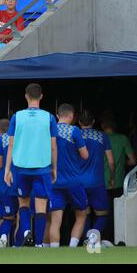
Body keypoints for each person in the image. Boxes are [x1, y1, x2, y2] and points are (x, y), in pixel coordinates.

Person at [3, 83, 57, 247]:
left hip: (21, 167)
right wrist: (54, 168)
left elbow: (10, 145)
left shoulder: (16, 117)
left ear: (26, 96)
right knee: (41, 207)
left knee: (23, 203)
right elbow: (54, 146)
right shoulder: (49, 117)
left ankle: (26, 231)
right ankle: (39, 243)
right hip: (42, 167)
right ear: (41, 96)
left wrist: (7, 169)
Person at [49, 103, 88, 248]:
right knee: (81, 215)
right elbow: (85, 155)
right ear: (72, 117)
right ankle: (72, 248)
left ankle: (54, 251)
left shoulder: (49, 131)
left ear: (57, 116)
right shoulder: (74, 131)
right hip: (73, 181)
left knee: (55, 220)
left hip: (54, 181)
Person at [79, 109, 115, 241]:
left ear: (79, 122)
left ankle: (86, 242)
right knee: (103, 214)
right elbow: (111, 162)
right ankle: (93, 238)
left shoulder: (74, 135)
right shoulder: (102, 136)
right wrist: (111, 178)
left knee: (84, 215)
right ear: (94, 122)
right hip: (97, 182)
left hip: (78, 183)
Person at [0, 119, 20, 247]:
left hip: (6, 183)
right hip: (21, 181)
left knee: (8, 217)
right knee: (21, 215)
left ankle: (3, 236)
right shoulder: (22, 137)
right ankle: (18, 244)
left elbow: (0, 164)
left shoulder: (3, 139)